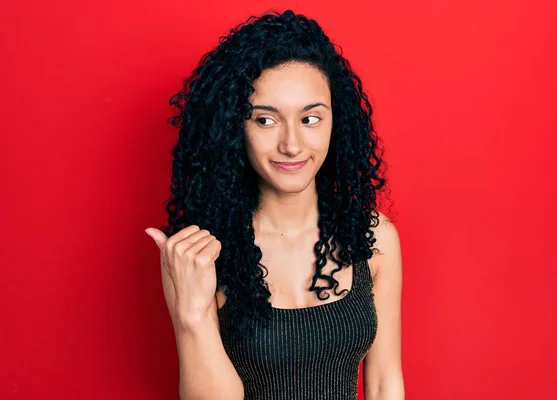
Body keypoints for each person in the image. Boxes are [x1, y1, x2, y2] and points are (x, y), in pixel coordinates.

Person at [145, 9, 404, 400]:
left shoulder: (374, 236)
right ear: (235, 127)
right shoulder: (196, 255)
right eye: (266, 120)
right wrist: (192, 317)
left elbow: (385, 382)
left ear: (338, 121)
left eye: (311, 119)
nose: (292, 145)